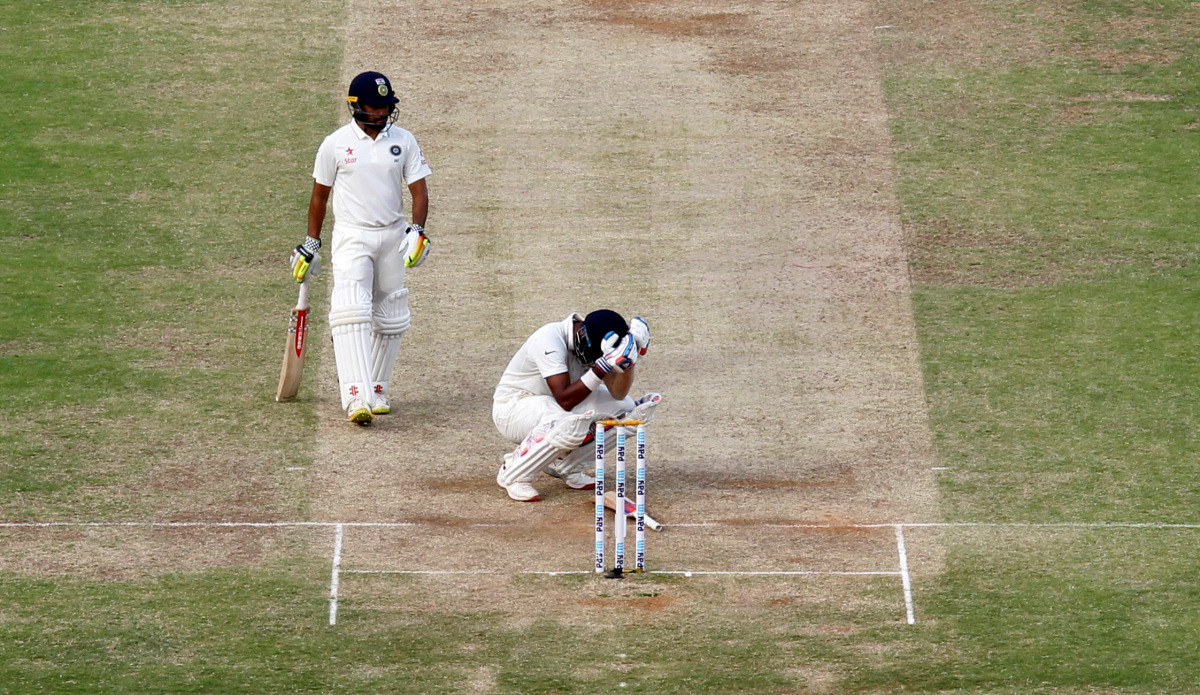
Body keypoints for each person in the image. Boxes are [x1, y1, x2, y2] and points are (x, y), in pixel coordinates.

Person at [290, 70, 432, 425]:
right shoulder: (335, 144)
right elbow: (319, 196)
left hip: (392, 234)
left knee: (392, 313)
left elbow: (418, 189)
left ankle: (377, 387)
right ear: (355, 106)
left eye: (387, 106)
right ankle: (355, 396)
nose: (382, 113)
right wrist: (311, 242)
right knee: (352, 310)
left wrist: (417, 230)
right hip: (352, 235)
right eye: (375, 106)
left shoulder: (404, 140)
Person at [493, 310, 661, 502]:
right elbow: (565, 399)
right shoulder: (548, 339)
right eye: (593, 356)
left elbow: (618, 393)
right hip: (512, 409)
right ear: (581, 336)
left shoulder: (595, 342)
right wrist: (600, 368)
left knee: (625, 409)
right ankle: (513, 473)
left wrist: (628, 363)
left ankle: (568, 468)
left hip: (553, 407)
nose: (592, 360)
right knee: (561, 420)